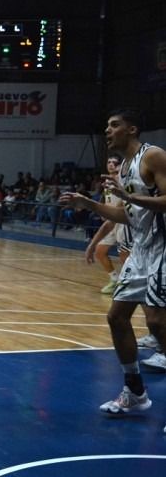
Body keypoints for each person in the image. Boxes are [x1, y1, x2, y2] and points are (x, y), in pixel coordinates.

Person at [60, 108, 166, 433]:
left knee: (156, 322)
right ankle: (134, 391)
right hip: (142, 249)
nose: (108, 130)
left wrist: (129, 196)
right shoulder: (126, 167)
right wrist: (88, 204)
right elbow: (125, 215)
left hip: (164, 247)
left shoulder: (154, 156)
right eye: (107, 125)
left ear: (132, 129)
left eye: (114, 125)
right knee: (116, 318)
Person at [85, 155, 131, 294]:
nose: (111, 164)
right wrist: (104, 208)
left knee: (125, 256)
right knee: (100, 251)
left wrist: (109, 211)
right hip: (111, 220)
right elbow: (109, 199)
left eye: (115, 163)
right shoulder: (107, 180)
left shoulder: (124, 180)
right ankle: (114, 279)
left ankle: (127, 283)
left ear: (120, 166)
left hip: (122, 221)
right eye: (109, 162)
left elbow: (121, 203)